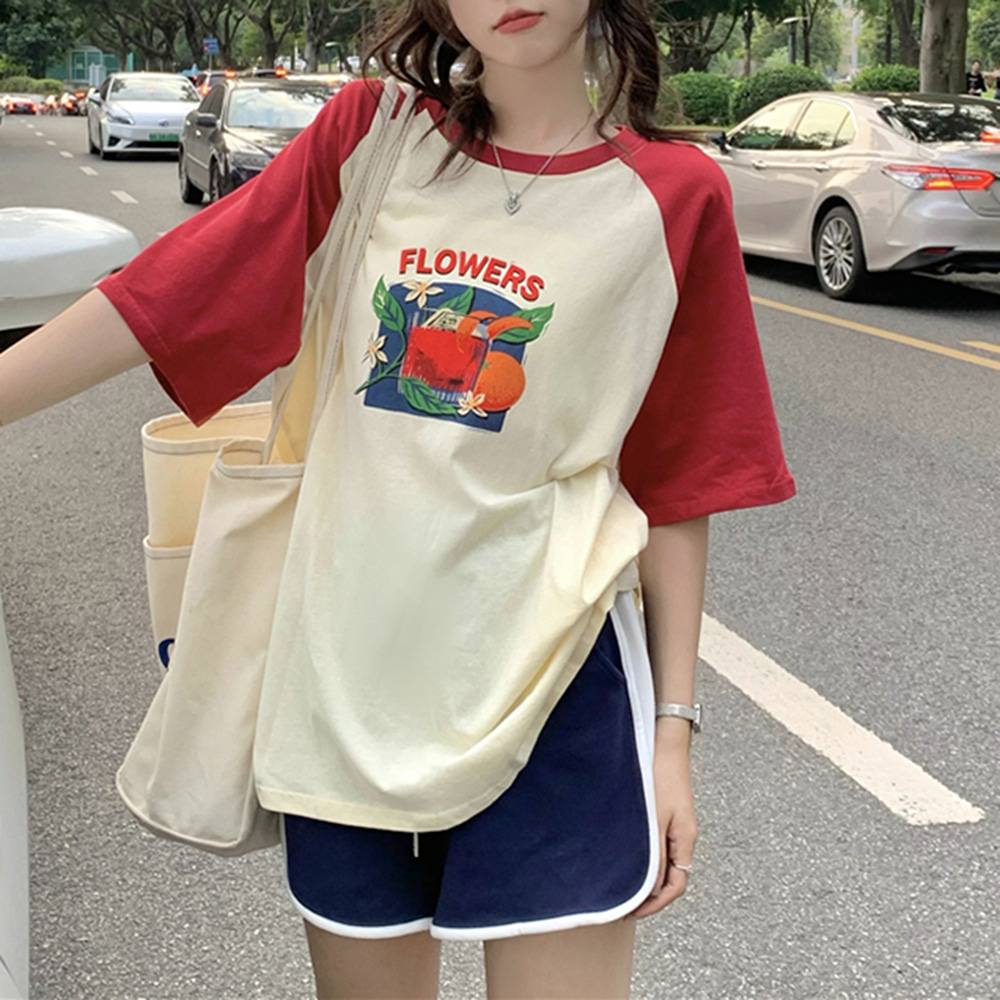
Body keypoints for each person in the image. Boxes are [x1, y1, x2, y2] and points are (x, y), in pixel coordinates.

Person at [0, 1, 796, 997]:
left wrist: (672, 734)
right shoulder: (372, 139)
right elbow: (167, 295)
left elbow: (678, 478)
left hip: (553, 686)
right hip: (344, 684)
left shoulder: (674, 195)